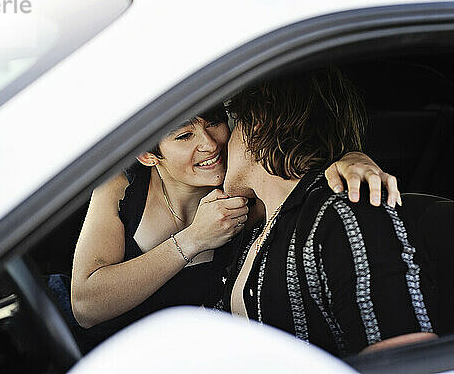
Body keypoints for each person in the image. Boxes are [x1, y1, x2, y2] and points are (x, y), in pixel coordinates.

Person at [71, 105, 401, 351]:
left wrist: (352, 158)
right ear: (147, 155)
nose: (210, 144)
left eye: (214, 122)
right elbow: (86, 306)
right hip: (101, 352)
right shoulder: (122, 186)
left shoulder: (242, 185)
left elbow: (297, 179)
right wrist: (193, 239)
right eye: (185, 135)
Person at [222, 67, 437, 356]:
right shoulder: (256, 226)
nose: (222, 144)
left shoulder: (349, 211)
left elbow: (405, 358)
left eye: (234, 125)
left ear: (257, 125)